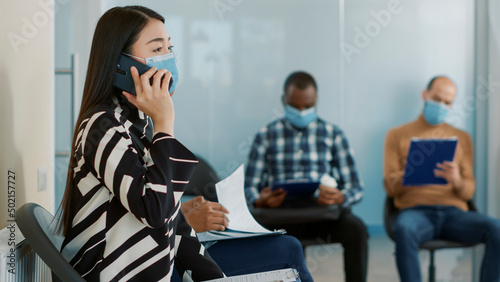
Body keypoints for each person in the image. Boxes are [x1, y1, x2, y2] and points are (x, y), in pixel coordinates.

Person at [58, 6, 224, 281]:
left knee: (283, 250)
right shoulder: (102, 126)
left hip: (156, 266)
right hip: (117, 274)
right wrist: (165, 122)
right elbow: (155, 210)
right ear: (121, 64)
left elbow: (175, 223)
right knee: (286, 250)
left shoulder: (138, 124)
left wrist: (216, 279)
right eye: (157, 49)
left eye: (169, 48)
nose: (167, 58)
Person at [245, 71, 368, 282]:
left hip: (321, 213)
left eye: (308, 106)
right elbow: (249, 187)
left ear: (316, 101)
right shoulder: (266, 135)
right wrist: (259, 200)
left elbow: (355, 187)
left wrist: (339, 197)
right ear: (284, 101)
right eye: (295, 106)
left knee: (356, 230)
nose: (302, 112)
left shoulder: (333, 134)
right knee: (254, 236)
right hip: (281, 215)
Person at [384, 76, 500, 282]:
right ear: (425, 95)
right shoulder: (396, 135)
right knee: (404, 229)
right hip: (415, 212)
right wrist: (411, 172)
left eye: (448, 102)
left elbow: (469, 191)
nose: (441, 105)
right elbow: (390, 188)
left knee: (497, 228)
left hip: (454, 214)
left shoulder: (462, 138)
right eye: (437, 99)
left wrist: (457, 180)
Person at [170, 196, 314, 282]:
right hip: (167, 262)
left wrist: (180, 211)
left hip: (180, 243)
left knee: (288, 246)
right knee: (288, 248)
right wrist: (185, 222)